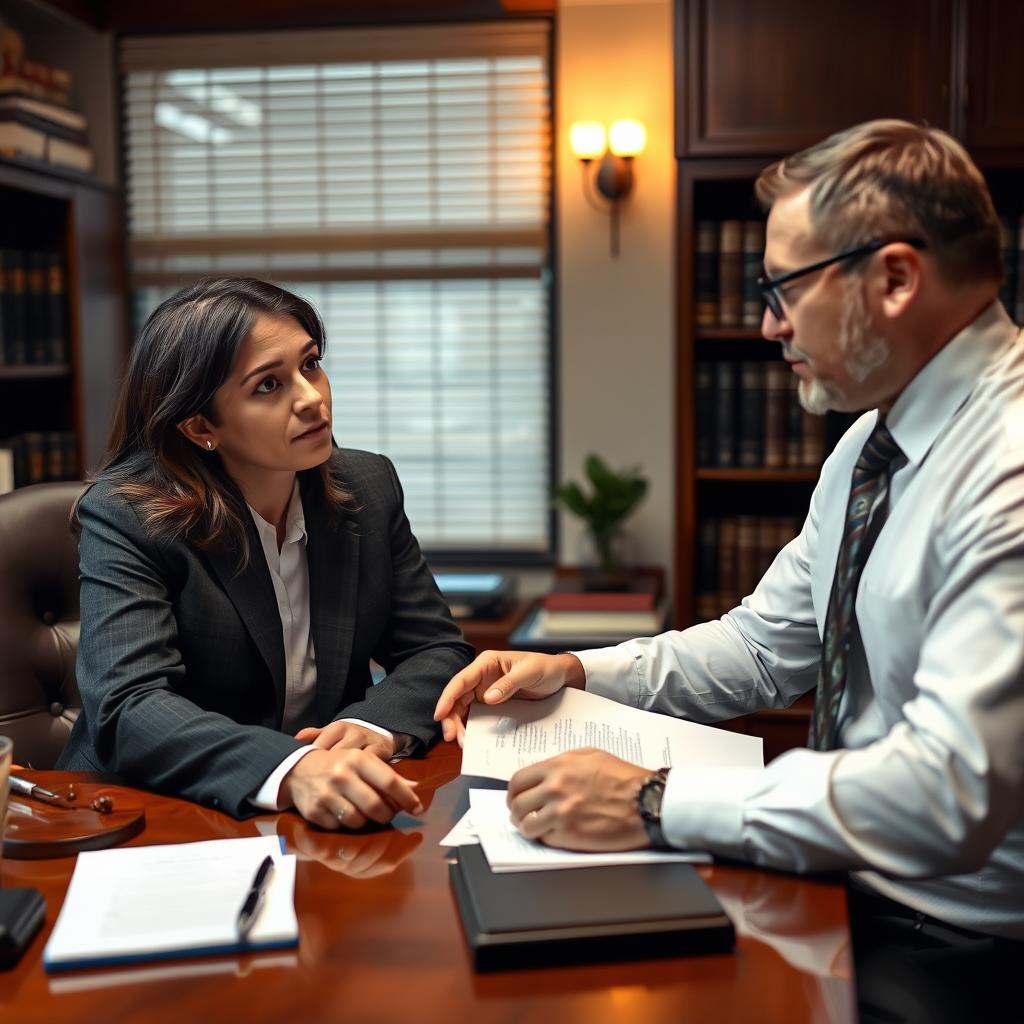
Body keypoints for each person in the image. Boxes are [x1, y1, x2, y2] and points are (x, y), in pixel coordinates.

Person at [434, 120, 1023, 1018]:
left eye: (783, 287)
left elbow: (950, 792)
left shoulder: (1008, 463)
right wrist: (581, 671)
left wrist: (652, 798)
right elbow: (763, 645)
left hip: (961, 946)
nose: (765, 323)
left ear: (896, 278)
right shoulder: (874, 439)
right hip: (851, 886)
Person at [58, 277, 474, 830]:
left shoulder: (368, 485)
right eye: (268, 386)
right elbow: (128, 706)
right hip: (150, 812)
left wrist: (375, 726)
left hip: (327, 810)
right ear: (202, 426)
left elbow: (436, 650)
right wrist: (291, 767)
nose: (311, 398)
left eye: (310, 365)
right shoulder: (129, 514)